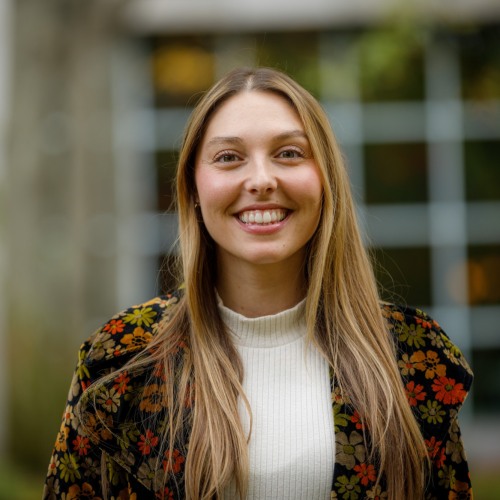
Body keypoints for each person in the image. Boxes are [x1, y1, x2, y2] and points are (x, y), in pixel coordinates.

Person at [43, 67, 473, 500]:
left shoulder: (414, 356)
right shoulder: (122, 357)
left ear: (325, 179)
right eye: (229, 157)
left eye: (288, 153)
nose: (262, 180)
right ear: (193, 185)